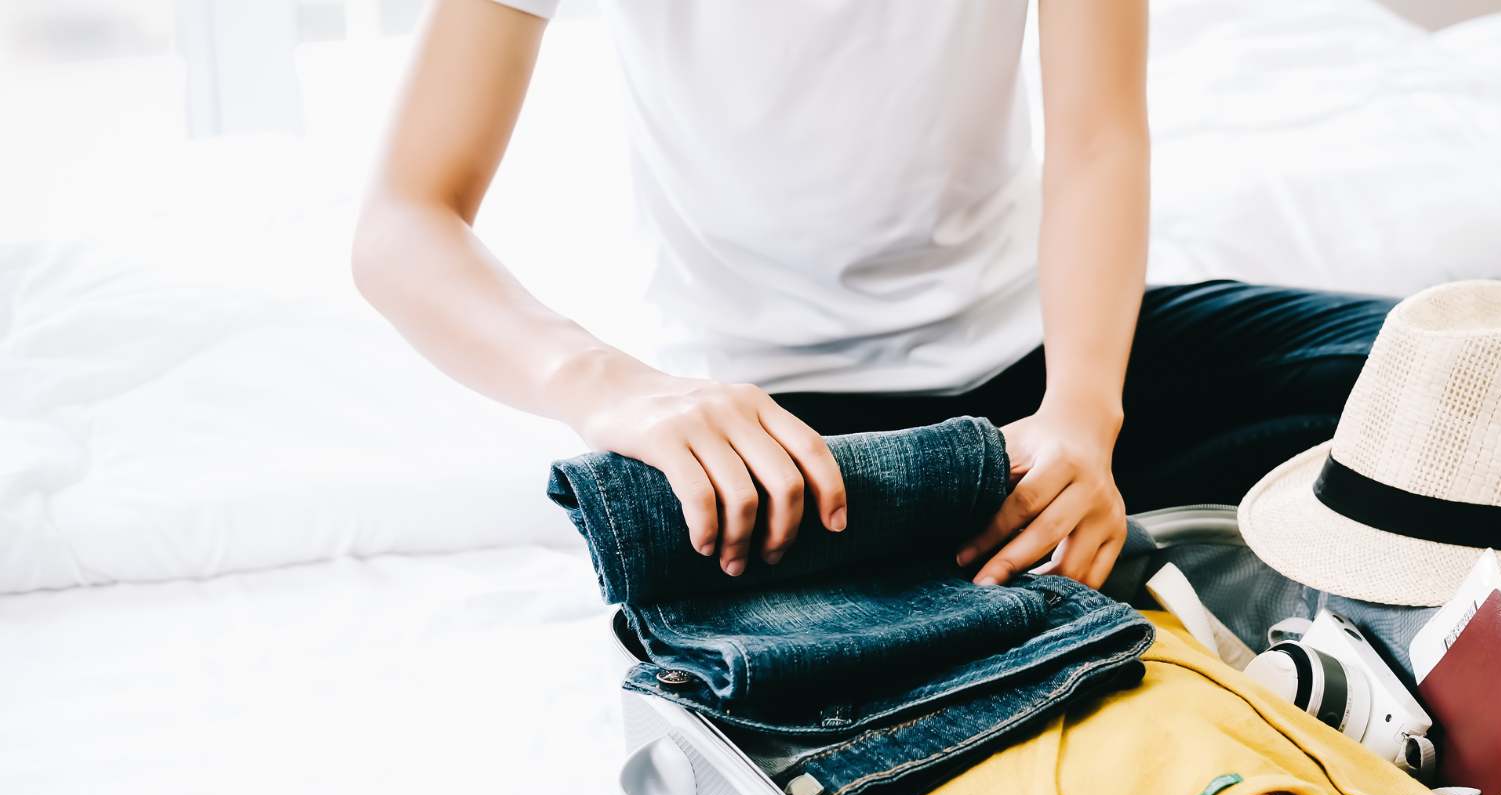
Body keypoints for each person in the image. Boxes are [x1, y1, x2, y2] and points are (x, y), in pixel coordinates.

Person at [355, 0, 1393, 590]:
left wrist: (1082, 416)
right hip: (783, 433)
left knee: (1467, 377)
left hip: (1059, 380)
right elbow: (403, 220)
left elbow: (1095, 141)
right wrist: (614, 390)